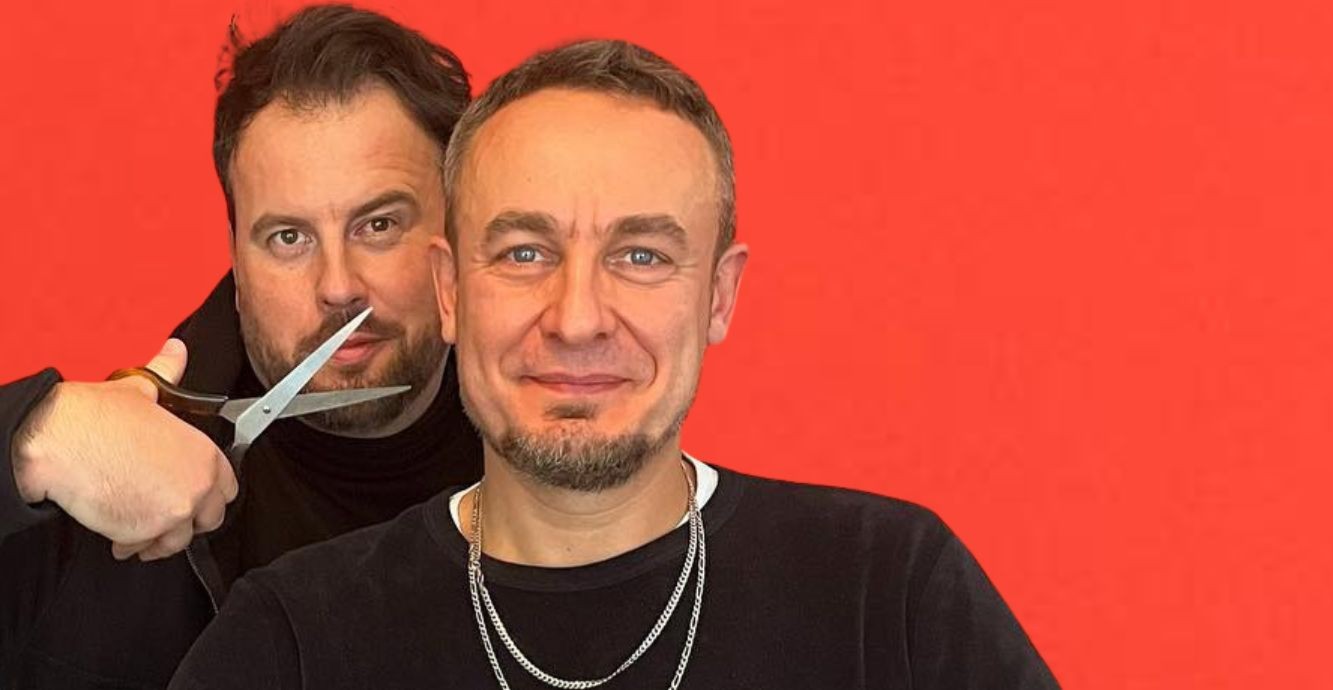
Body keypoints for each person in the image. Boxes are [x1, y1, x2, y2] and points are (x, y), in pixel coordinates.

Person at [170, 39, 1060, 689]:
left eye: (641, 256)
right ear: (449, 291)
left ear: (718, 295)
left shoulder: (888, 593)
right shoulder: (292, 637)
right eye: (524, 253)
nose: (578, 318)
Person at [0, 5, 483, 687]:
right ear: (235, 256)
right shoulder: (87, 496)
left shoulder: (553, 443)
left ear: (457, 229)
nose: (339, 286)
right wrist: (24, 446)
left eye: (378, 225)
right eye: (288, 238)